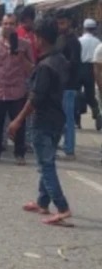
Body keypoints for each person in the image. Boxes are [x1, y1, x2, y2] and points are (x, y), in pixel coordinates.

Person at [7, 17, 72, 226]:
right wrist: (23, 60)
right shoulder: (59, 60)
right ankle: (42, 202)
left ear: (40, 39)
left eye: (35, 37)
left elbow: (35, 98)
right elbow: (39, 74)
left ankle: (62, 208)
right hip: (57, 118)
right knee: (47, 160)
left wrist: (17, 120)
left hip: (43, 120)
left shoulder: (46, 65)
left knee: (45, 165)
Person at [0, 13, 35, 164]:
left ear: (17, 26)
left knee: (19, 125)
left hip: (18, 90)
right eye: (5, 24)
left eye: (11, 24)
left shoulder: (25, 45)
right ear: (1, 25)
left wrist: (21, 57)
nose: (8, 27)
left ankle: (19, 155)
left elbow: (32, 69)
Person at [55, 9, 82, 158]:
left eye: (63, 23)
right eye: (58, 23)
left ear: (69, 23)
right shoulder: (59, 38)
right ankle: (60, 144)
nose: (60, 26)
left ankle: (69, 148)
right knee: (59, 117)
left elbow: (74, 63)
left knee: (68, 118)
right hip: (58, 85)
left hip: (69, 85)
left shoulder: (73, 41)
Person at [78, 19, 102, 131]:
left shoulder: (79, 40)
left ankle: (77, 120)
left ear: (84, 28)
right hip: (91, 69)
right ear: (94, 29)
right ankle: (97, 115)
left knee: (77, 94)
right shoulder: (97, 42)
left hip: (79, 68)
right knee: (90, 94)